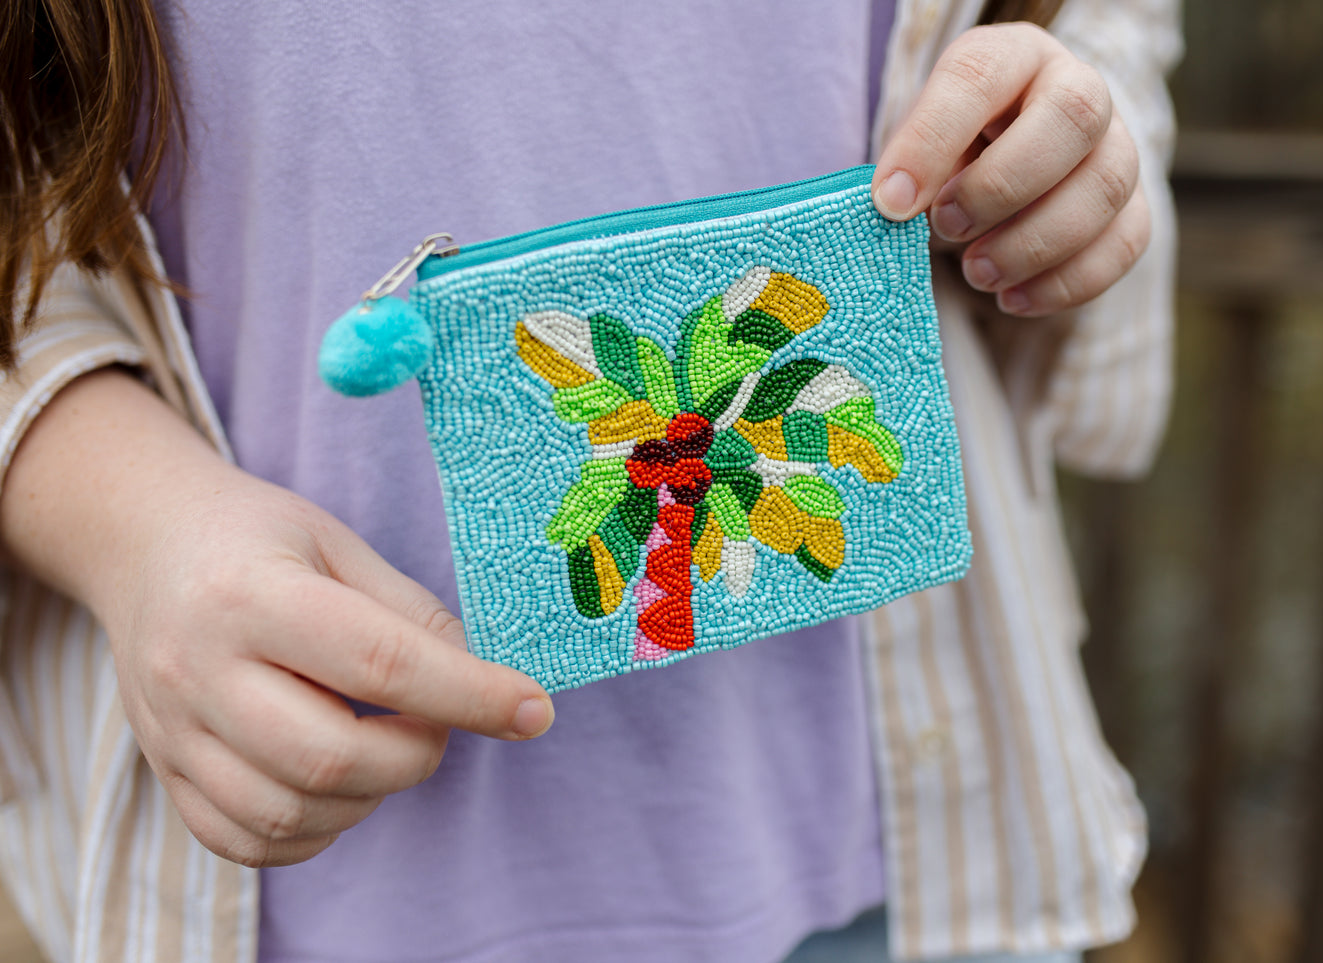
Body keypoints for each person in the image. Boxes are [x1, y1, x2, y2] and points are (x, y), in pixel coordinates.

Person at [0, 0, 1181, 960]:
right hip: (309, 885)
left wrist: (1068, 124)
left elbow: (1101, 31)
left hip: (919, 864)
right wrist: (134, 519)